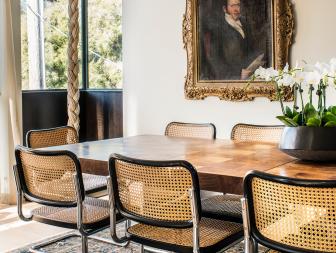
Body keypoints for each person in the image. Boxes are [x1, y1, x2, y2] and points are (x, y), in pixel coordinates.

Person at [200, 0, 264, 80]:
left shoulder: (245, 24)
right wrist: (237, 75)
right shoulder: (218, 30)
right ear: (224, 9)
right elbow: (216, 61)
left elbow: (252, 49)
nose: (236, 9)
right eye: (232, 6)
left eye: (238, 5)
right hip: (232, 77)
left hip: (250, 73)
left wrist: (258, 60)